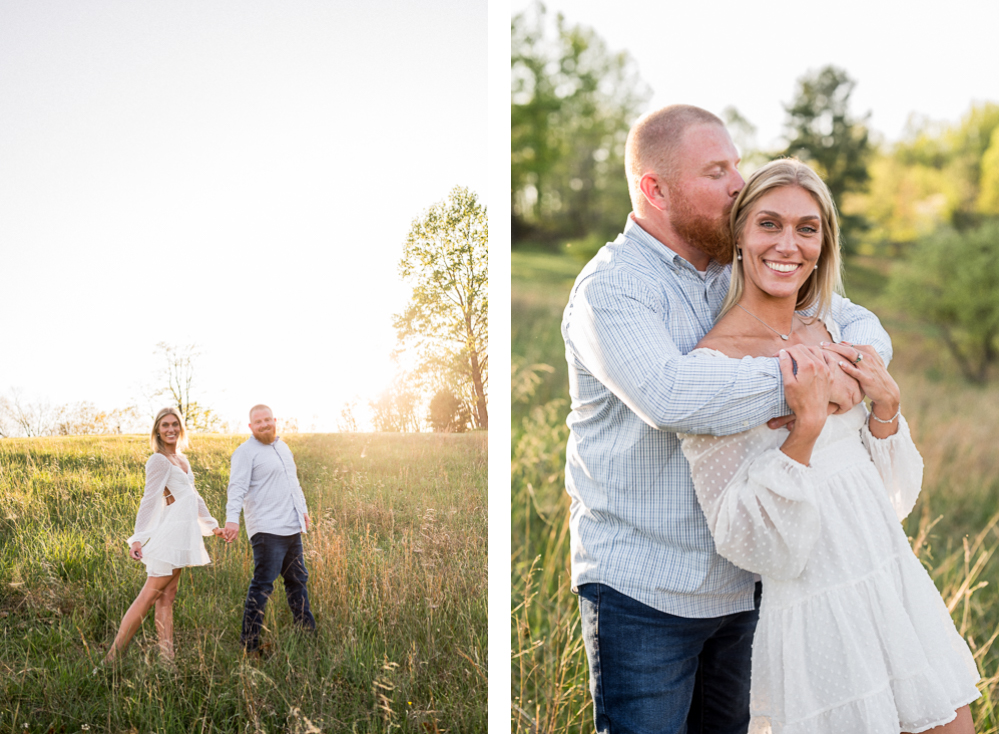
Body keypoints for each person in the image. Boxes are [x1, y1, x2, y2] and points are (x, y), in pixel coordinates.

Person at [561, 105, 892, 734]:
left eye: (737, 164)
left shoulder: (735, 266)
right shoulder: (614, 288)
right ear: (656, 189)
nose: (740, 183)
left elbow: (858, 323)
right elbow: (673, 396)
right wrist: (808, 385)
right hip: (646, 593)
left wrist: (849, 368)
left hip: (749, 580)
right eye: (718, 171)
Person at [678, 158, 979, 733]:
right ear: (739, 237)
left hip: (891, 582)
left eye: (806, 228)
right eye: (769, 224)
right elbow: (741, 536)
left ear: (824, 243)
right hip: (816, 616)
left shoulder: (834, 332)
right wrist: (806, 433)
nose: (787, 244)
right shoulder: (712, 367)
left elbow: (892, 497)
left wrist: (886, 409)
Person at [105, 407, 223, 663]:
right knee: (149, 596)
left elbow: (194, 496)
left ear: (180, 427)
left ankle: (167, 661)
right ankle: (112, 659)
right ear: (157, 430)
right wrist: (138, 537)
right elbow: (149, 500)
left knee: (167, 598)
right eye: (165, 425)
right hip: (170, 534)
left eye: (175, 424)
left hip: (183, 534)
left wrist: (213, 526)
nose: (171, 429)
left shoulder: (182, 459)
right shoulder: (158, 460)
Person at [222, 404, 315, 654]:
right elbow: (237, 488)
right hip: (266, 529)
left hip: (291, 527)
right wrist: (232, 520)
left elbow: (293, 483)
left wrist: (302, 512)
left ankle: (306, 631)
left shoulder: (283, 447)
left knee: (297, 580)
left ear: (275, 420)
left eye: (267, 420)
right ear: (251, 427)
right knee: (263, 585)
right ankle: (249, 644)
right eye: (258, 422)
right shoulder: (245, 452)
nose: (264, 425)